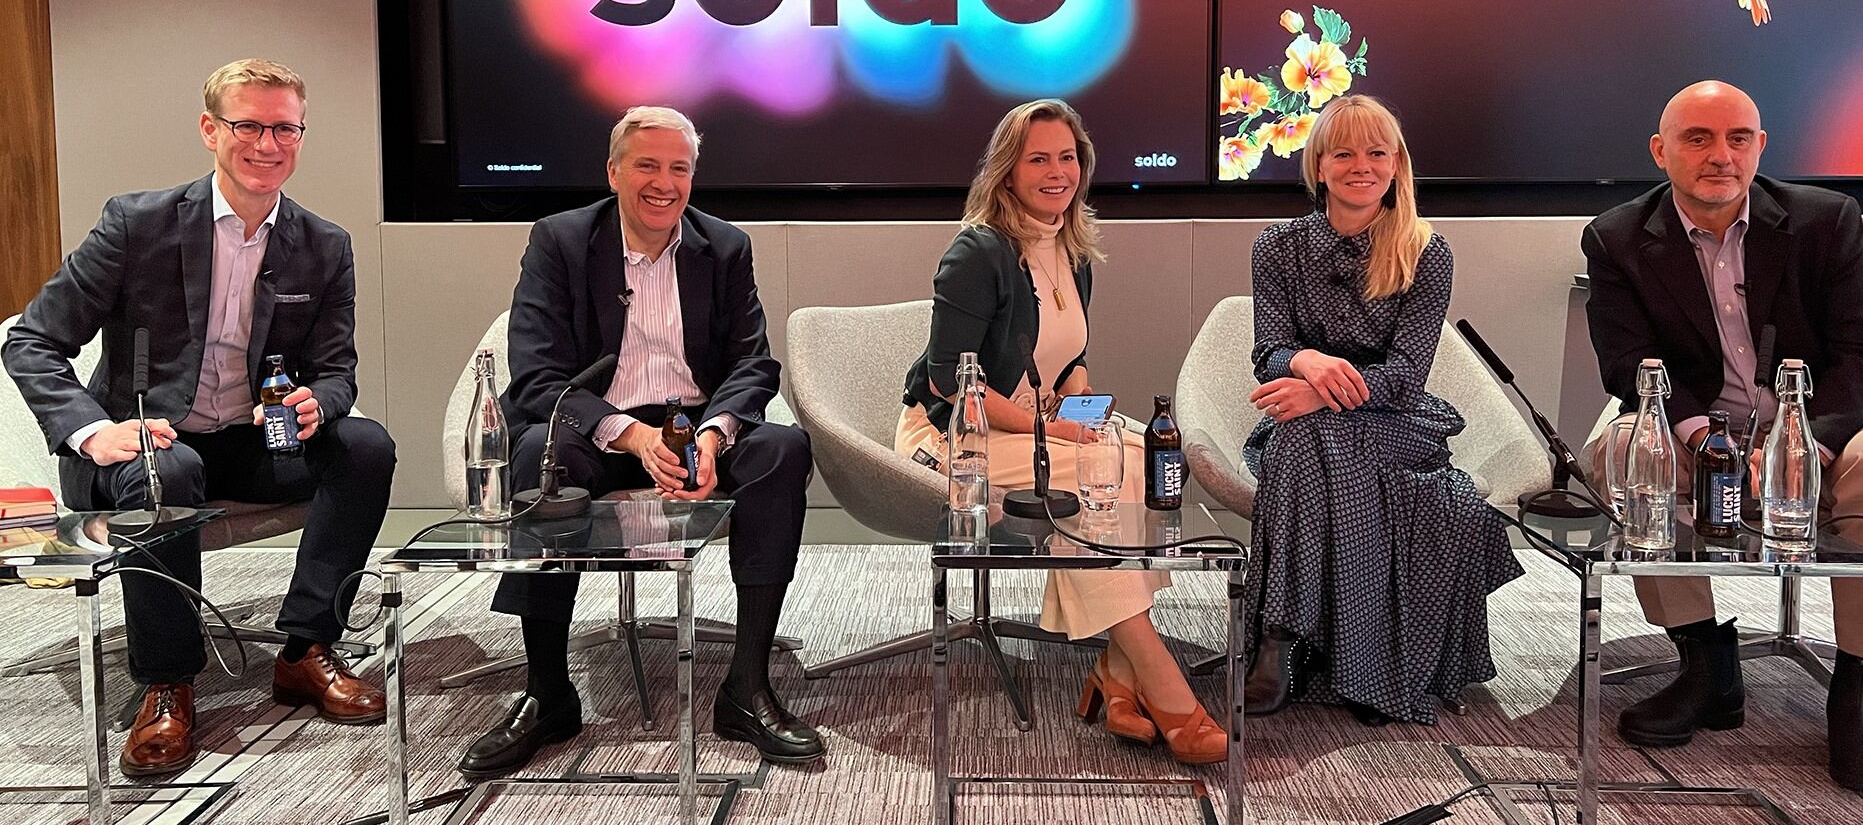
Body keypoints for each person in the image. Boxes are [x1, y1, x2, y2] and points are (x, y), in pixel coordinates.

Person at [3, 59, 396, 777]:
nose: (267, 144)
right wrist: (95, 431)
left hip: (251, 441)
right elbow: (31, 341)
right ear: (211, 129)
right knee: (169, 466)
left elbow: (337, 372)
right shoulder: (137, 224)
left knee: (365, 445)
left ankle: (306, 648)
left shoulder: (323, 244)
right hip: (139, 447)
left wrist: (322, 403)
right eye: (249, 125)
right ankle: (168, 682)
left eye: (285, 128)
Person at [1580, 79, 1863, 794]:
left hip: (1829, 428)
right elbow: (1627, 362)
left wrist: (1809, 441)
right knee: (1616, 452)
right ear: (1660, 151)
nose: (1721, 155)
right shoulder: (1616, 236)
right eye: (1698, 138)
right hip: (1704, 430)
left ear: (1760, 146)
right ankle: (1706, 661)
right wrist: (1707, 438)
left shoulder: (1826, 219)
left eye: (1738, 138)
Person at [459, 107, 818, 777]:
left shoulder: (726, 246)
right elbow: (537, 373)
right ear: (614, 171)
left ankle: (746, 687)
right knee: (547, 459)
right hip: (595, 420)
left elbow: (753, 364)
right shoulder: (561, 240)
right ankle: (547, 692)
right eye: (647, 165)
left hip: (694, 417)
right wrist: (632, 435)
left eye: (678, 168)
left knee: (782, 450)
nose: (664, 182)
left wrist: (711, 437)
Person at [899, 99, 1227, 765]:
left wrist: (1078, 398)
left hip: (1037, 421)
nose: (1057, 172)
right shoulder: (978, 250)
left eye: (1067, 157)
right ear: (1008, 171)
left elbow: (1069, 357)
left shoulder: (1070, 248)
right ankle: (1154, 675)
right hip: (954, 434)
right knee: (1092, 471)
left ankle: (1116, 666)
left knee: (1140, 455)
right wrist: (1058, 431)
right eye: (1038, 158)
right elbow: (948, 383)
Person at [1240, 94, 1521, 726]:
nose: (1360, 166)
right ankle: (1342, 656)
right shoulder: (1277, 247)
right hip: (1307, 420)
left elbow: (1405, 375)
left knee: (1305, 441)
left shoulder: (1426, 250)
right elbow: (1269, 351)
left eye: (1376, 152)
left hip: (1399, 421)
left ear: (1396, 167)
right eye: (1344, 153)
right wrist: (1308, 365)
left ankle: (1280, 640)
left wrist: (1318, 391)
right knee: (1303, 440)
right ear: (1318, 167)